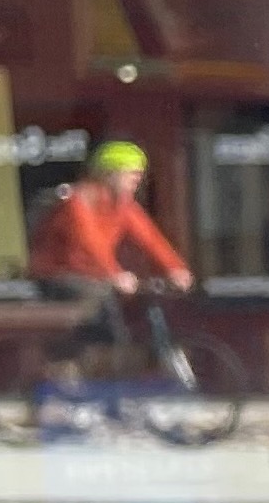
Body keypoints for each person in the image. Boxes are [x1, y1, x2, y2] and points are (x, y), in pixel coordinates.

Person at [29, 141, 193, 360]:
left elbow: (150, 237)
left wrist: (175, 268)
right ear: (108, 174)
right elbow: (89, 242)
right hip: (57, 275)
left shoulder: (124, 205)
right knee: (100, 304)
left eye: (139, 174)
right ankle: (71, 363)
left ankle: (114, 362)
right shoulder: (77, 201)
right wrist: (114, 273)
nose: (137, 180)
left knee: (132, 304)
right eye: (130, 174)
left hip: (95, 275)